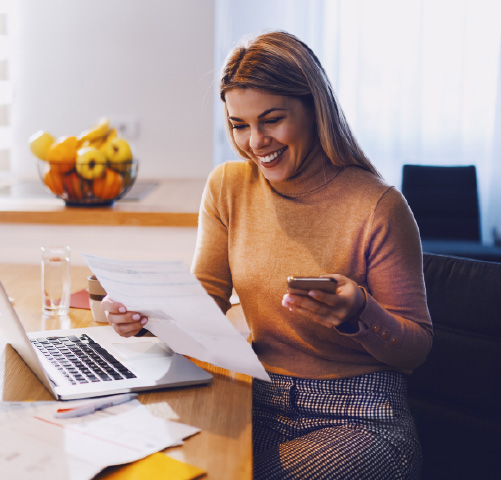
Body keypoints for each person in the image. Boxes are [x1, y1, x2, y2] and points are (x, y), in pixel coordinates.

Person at [103, 31, 433, 479]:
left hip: (360, 418)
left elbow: (415, 350)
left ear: (314, 109)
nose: (255, 142)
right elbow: (206, 303)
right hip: (254, 398)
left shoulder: (378, 206)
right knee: (143, 465)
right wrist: (143, 317)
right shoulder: (229, 188)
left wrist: (359, 313)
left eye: (271, 120)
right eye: (239, 125)